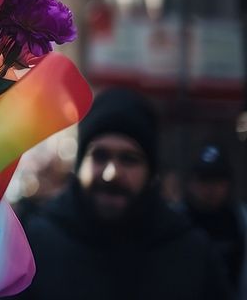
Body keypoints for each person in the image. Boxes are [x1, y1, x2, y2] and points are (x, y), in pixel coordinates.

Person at [16, 87, 232, 300]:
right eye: (100, 156)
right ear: (80, 164)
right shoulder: (34, 247)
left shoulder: (192, 255)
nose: (112, 174)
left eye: (129, 159)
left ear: (151, 172)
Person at [179, 144, 247, 298]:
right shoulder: (175, 222)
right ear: (191, 183)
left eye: (218, 180)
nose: (211, 188)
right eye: (204, 180)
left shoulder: (241, 221)